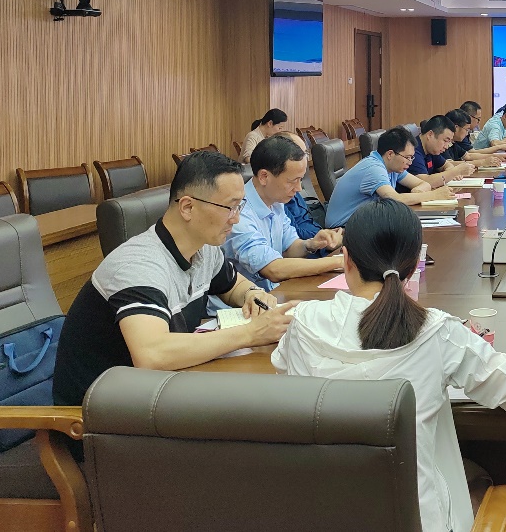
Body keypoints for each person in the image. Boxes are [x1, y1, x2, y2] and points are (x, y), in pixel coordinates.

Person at [273, 199, 506, 532]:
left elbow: (287, 376)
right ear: (416, 263)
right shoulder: (436, 331)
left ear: (346, 260)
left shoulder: (301, 323)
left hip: (320, 515)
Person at [53, 151, 296, 407]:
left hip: (158, 391)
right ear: (188, 207)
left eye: (240, 206)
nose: (236, 219)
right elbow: (152, 354)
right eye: (230, 207)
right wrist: (250, 333)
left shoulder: (205, 250)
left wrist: (252, 294)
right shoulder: (138, 265)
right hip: (101, 412)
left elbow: (233, 285)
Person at [223, 134, 345, 291]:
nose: (299, 188)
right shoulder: (238, 213)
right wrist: (337, 261)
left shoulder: (276, 201)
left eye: (301, 180)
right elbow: (273, 269)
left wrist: (310, 244)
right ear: (264, 177)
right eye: (293, 181)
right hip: (243, 302)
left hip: (276, 293)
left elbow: (288, 249)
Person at [324, 127, 455, 227]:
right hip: (341, 230)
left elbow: (423, 184)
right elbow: (394, 199)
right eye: (407, 157)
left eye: (412, 158)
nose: (410, 162)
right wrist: (433, 195)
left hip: (363, 224)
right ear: (390, 154)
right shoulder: (374, 168)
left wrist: (419, 191)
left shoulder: (393, 167)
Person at [410, 115, 477, 185]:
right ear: (430, 135)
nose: (447, 147)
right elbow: (424, 182)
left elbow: (446, 165)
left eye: (449, 142)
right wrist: (455, 172)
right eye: (445, 140)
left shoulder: (431, 149)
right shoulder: (413, 150)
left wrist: (450, 172)